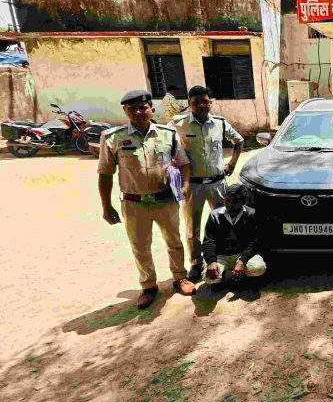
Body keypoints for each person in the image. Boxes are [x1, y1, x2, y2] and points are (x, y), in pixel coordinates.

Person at [97, 89, 196, 309]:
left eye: (143, 108)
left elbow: (183, 163)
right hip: (134, 203)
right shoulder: (113, 137)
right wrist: (106, 206)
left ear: (152, 109)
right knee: (140, 247)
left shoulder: (167, 134)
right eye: (132, 109)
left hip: (165, 200)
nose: (138, 112)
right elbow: (105, 173)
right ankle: (149, 286)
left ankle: (180, 277)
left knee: (174, 242)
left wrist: (185, 185)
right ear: (125, 111)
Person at [170, 85, 245, 282]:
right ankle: (196, 263)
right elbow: (167, 145)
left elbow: (239, 141)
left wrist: (232, 164)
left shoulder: (220, 123)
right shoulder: (178, 124)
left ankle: (219, 259)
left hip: (217, 184)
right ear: (189, 104)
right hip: (193, 185)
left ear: (210, 103)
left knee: (223, 223)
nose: (201, 105)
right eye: (196, 102)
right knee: (192, 227)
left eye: (205, 101)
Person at [201, 184, 267, 291]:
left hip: (241, 253)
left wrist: (242, 261)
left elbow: (255, 241)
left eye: (235, 201)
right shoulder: (215, 215)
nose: (230, 204)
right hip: (221, 256)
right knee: (208, 277)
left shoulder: (251, 214)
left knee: (258, 268)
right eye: (227, 200)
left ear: (243, 202)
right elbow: (208, 241)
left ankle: (238, 275)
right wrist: (211, 261)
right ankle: (230, 276)